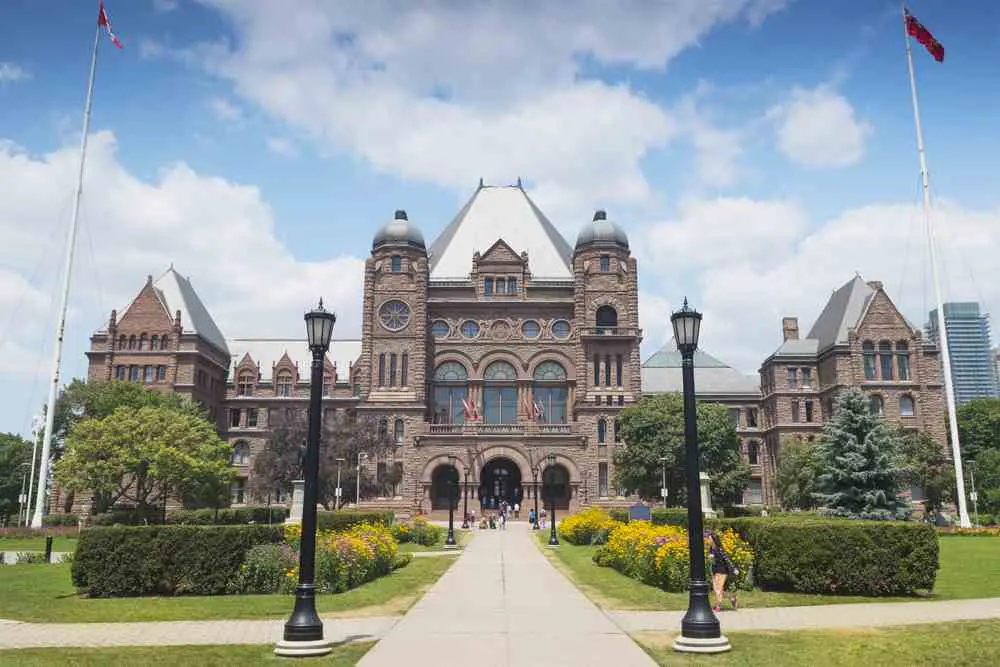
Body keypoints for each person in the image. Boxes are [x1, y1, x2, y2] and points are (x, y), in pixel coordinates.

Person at [707, 531, 739, 612]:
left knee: (719, 588)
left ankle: (718, 606)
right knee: (716, 589)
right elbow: (712, 562)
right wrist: (710, 559)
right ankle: (732, 597)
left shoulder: (719, 549)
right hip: (715, 571)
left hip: (722, 570)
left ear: (714, 540)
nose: (708, 540)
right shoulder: (711, 549)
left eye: (709, 538)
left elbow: (727, 559)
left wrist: (734, 569)